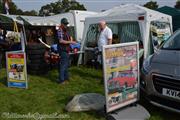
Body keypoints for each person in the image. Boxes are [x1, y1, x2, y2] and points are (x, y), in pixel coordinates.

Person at [57, 18, 76, 84]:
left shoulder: (66, 30)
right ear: (61, 24)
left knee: (66, 65)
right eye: (65, 24)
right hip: (63, 50)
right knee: (63, 65)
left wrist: (71, 39)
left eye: (67, 24)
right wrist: (70, 41)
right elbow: (61, 41)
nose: (66, 25)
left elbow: (69, 37)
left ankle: (66, 78)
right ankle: (61, 80)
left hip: (66, 49)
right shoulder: (60, 30)